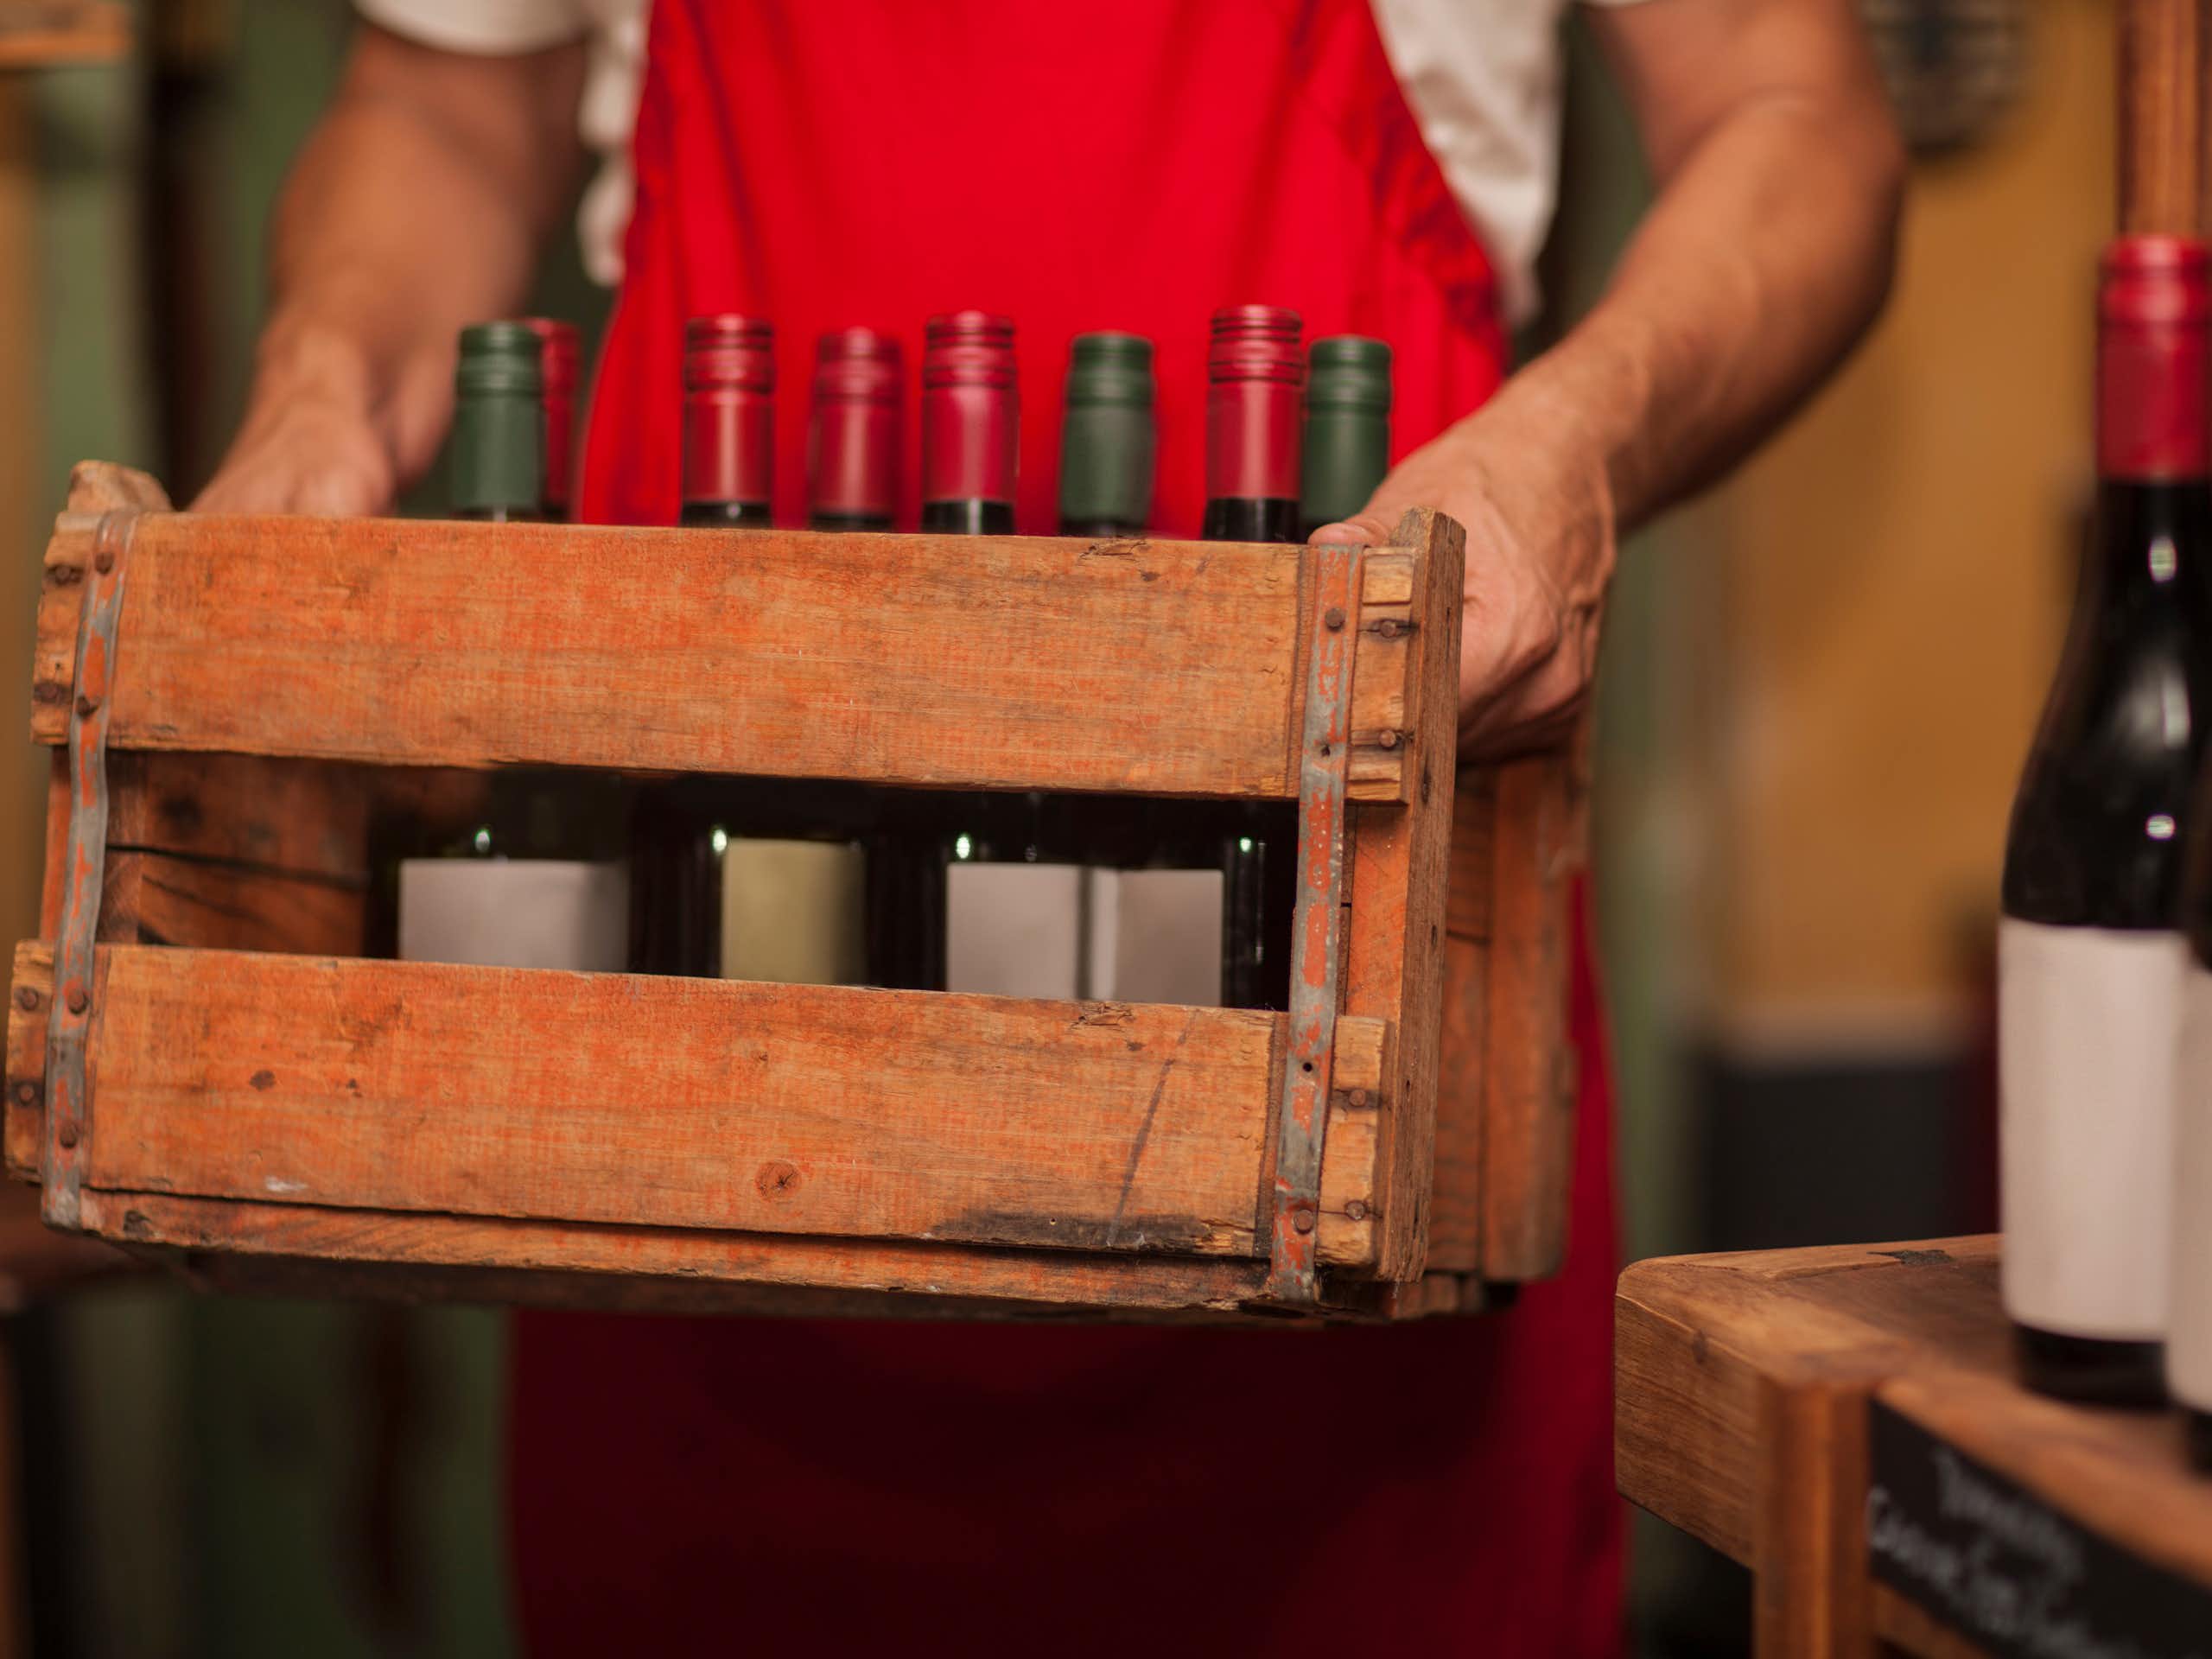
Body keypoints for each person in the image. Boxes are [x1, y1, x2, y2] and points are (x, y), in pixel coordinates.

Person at [198, 1, 1903, 1651]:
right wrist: (322, 382)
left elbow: (1786, 104)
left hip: (1359, 1194)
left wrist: (1574, 455)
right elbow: (442, 105)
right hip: (705, 1144)